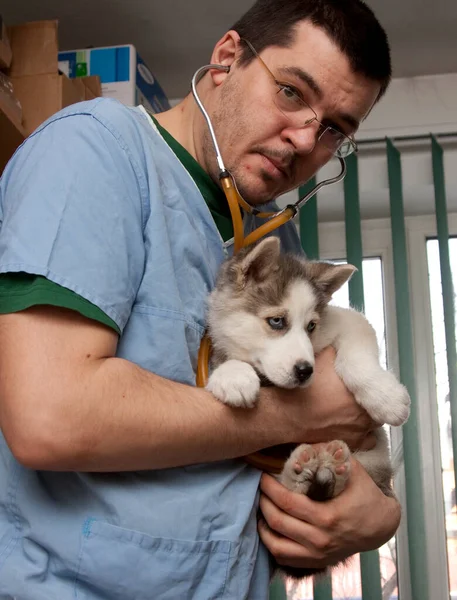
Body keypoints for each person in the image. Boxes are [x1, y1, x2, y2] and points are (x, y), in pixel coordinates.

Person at [0, 0, 401, 598]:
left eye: (336, 129)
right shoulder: (90, 155)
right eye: (292, 92)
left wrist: (378, 517)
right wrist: (301, 413)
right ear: (226, 58)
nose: (304, 140)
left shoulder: (271, 229)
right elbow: (48, 417)